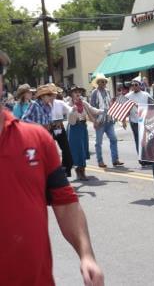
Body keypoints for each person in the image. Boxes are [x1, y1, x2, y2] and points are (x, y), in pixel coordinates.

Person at [0, 50, 104, 285]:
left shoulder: (36, 139)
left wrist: (86, 255)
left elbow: (65, 203)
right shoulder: (32, 109)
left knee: (71, 156)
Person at [68, 85, 103, 180]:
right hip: (74, 128)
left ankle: (82, 170)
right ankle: (79, 171)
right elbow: (68, 117)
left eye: (79, 92)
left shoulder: (83, 103)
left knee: (83, 148)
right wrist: (72, 111)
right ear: (71, 94)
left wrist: (103, 111)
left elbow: (92, 109)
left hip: (83, 127)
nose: (78, 94)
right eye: (75, 92)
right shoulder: (69, 105)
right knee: (77, 149)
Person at [90, 73, 124, 168]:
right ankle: (100, 161)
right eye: (101, 81)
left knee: (114, 139)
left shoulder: (108, 91)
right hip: (100, 121)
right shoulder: (94, 93)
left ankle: (115, 159)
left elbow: (110, 105)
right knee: (98, 143)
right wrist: (94, 121)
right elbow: (91, 108)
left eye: (104, 81)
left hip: (109, 120)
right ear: (98, 83)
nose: (104, 82)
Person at [50, 85, 74, 177]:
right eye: (52, 93)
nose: (54, 95)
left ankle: (66, 168)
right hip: (49, 128)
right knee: (50, 150)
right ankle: (51, 171)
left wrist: (73, 109)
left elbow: (69, 109)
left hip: (59, 127)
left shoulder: (60, 102)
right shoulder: (44, 104)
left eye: (55, 93)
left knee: (66, 149)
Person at [125, 77, 153, 155]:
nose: (134, 86)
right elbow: (123, 109)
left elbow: (153, 106)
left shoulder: (146, 95)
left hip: (145, 120)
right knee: (138, 139)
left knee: (147, 139)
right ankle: (141, 157)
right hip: (134, 121)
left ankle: (148, 157)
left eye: (136, 85)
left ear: (140, 85)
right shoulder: (127, 96)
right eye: (132, 85)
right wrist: (123, 120)